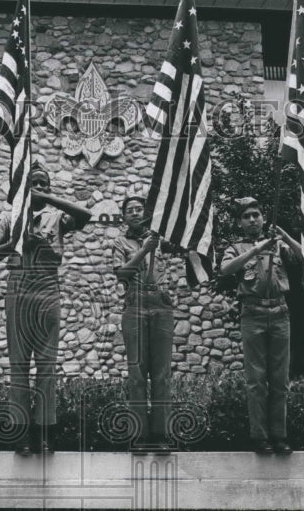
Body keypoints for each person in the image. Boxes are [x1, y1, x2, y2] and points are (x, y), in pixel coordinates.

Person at [0, 162, 91, 455]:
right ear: (23, 188)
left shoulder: (57, 217)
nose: (40, 188)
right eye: (35, 184)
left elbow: (85, 215)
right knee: (19, 366)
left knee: (46, 366)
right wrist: (16, 244)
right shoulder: (10, 217)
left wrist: (48, 199)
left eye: (44, 184)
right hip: (19, 286)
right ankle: (20, 434)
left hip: (47, 285)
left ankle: (44, 433)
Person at [218, 197, 301, 455]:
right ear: (240, 222)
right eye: (246, 216)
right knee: (256, 380)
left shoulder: (277, 245)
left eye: (256, 215)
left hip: (279, 312)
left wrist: (284, 236)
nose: (252, 220)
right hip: (252, 314)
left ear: (264, 218)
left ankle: (279, 435)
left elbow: (303, 257)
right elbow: (224, 269)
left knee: (280, 379)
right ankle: (259, 437)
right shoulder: (237, 247)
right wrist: (255, 250)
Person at [111, 194, 180, 454]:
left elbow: (185, 246)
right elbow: (121, 273)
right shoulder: (120, 241)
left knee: (161, 374)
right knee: (138, 374)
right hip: (135, 303)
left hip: (160, 304)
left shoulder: (160, 238)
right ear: (124, 216)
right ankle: (139, 435)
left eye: (140, 209)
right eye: (130, 210)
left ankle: (161, 434)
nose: (136, 213)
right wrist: (144, 250)